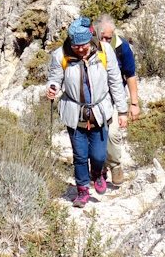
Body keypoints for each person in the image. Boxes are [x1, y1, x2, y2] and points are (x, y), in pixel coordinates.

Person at [46, 17, 129, 208]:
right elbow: (55, 78)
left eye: (83, 45)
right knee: (80, 155)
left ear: (90, 40)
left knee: (98, 155)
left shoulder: (104, 51)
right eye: (76, 46)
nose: (80, 50)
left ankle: (97, 173)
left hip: (100, 111)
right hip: (74, 112)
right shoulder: (61, 55)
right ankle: (82, 190)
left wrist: (122, 111)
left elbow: (116, 81)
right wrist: (52, 87)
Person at [96, 15, 139, 186]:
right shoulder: (89, 46)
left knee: (112, 133)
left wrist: (134, 103)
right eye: (103, 37)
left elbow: (130, 75)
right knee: (96, 134)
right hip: (94, 98)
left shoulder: (122, 47)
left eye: (109, 37)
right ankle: (99, 168)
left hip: (115, 97)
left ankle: (115, 165)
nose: (106, 41)